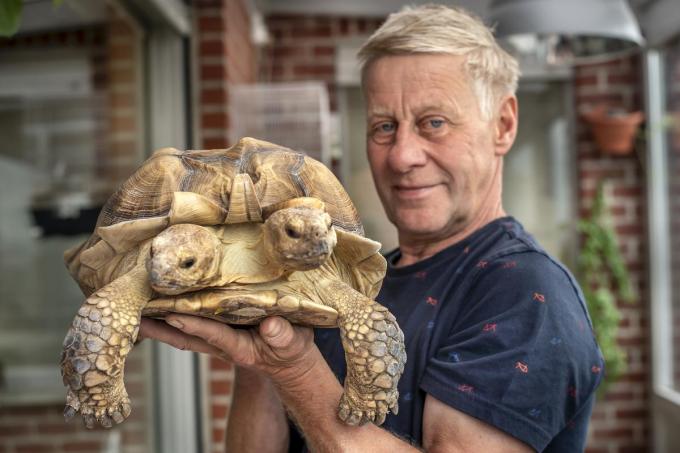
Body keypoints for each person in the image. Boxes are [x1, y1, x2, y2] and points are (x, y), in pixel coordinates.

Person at [140, 5, 603, 452]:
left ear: (502, 125)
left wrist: (297, 368)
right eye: (384, 127)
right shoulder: (356, 280)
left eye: (433, 123)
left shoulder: (523, 291)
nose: (402, 156)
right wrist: (258, 346)